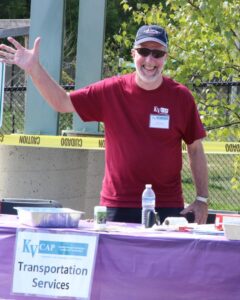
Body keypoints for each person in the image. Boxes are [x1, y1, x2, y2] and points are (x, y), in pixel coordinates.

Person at [0, 24, 209, 224]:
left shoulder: (180, 97)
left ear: (166, 57)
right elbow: (62, 102)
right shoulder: (111, 90)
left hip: (166, 206)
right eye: (144, 51)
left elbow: (195, 149)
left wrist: (202, 199)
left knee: (166, 262)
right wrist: (34, 68)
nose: (150, 60)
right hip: (117, 206)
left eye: (157, 53)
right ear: (133, 54)